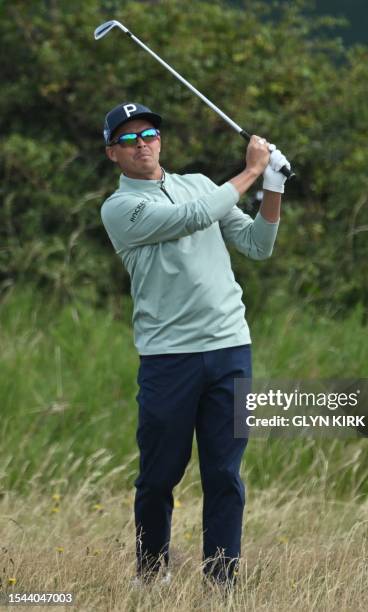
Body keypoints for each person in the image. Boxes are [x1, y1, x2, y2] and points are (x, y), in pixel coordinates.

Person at [100, 102, 290, 589]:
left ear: (160, 141)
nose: (140, 144)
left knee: (225, 474)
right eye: (127, 139)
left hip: (230, 347)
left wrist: (273, 185)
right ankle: (151, 574)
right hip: (169, 356)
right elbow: (190, 217)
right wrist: (250, 170)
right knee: (160, 474)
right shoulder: (121, 208)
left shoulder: (203, 183)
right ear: (112, 154)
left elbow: (257, 245)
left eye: (148, 134)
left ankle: (220, 582)